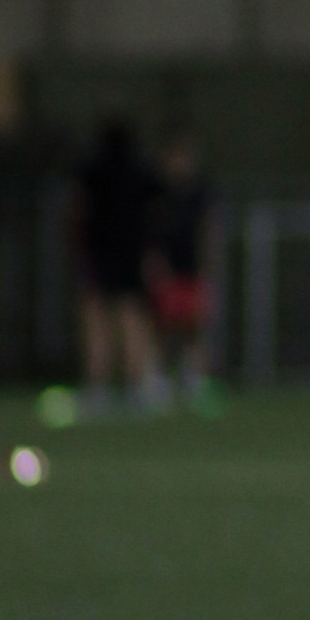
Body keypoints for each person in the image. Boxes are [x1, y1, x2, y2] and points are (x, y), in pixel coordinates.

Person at [72, 118, 161, 410]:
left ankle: (98, 388)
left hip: (99, 252)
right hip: (130, 253)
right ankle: (135, 387)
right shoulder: (141, 170)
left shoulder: (92, 169)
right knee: (130, 318)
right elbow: (155, 211)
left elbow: (78, 207)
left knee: (97, 319)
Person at [143, 137, 215, 401]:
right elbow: (151, 235)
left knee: (194, 325)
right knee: (164, 326)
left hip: (192, 270)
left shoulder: (199, 193)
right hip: (168, 271)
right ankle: (157, 379)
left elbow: (207, 231)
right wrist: (153, 262)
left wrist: (208, 265)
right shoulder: (157, 193)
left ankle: (194, 378)